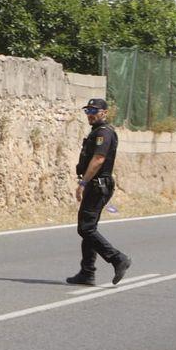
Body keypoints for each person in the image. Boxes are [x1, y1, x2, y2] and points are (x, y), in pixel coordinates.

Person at [67, 98, 132, 286]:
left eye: (94, 110)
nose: (90, 114)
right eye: (87, 111)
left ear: (104, 112)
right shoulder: (97, 132)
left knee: (85, 228)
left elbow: (99, 159)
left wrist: (83, 182)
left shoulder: (104, 133)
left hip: (97, 185)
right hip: (97, 185)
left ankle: (117, 258)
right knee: (89, 229)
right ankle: (87, 272)